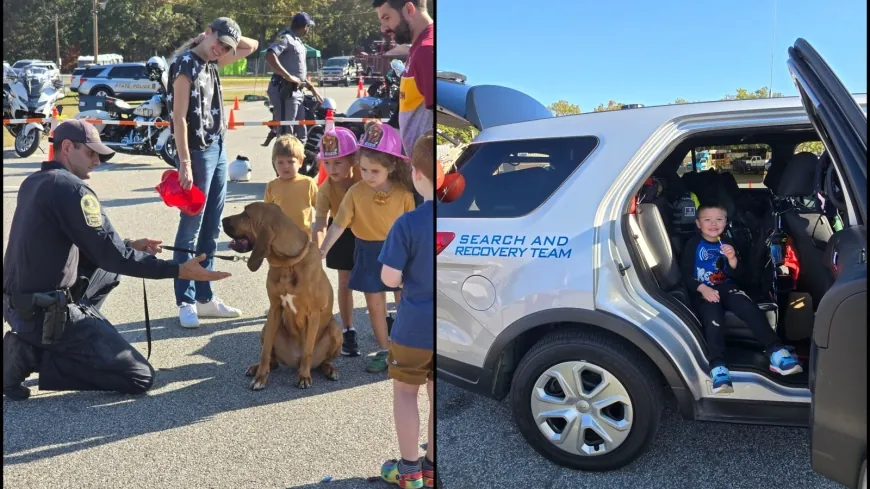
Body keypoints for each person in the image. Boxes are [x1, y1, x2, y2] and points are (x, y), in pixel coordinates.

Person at [2, 120, 232, 400]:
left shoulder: (34, 182)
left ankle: (39, 342)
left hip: (18, 306)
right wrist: (179, 270)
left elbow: (95, 249)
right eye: (91, 153)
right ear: (66, 147)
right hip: (43, 313)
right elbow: (115, 257)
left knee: (108, 273)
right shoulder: (73, 190)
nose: (97, 161)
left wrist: (129, 245)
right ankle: (30, 354)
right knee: (140, 376)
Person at [168, 17, 257, 328]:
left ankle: (205, 297)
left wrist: (228, 38)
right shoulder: (185, 65)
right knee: (190, 226)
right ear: (206, 33)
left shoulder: (211, 62)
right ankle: (186, 299)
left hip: (218, 146)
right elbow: (178, 118)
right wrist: (185, 162)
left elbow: (252, 46)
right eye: (218, 42)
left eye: (225, 48)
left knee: (211, 227)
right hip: (196, 150)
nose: (221, 50)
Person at [319, 122, 415, 373]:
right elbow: (338, 224)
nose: (368, 176)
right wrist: (322, 250)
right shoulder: (354, 192)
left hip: (398, 254)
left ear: (391, 167)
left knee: (403, 301)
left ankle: (404, 348)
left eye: (374, 171)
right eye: (363, 169)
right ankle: (385, 350)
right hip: (367, 252)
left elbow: (413, 229)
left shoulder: (404, 193)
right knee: (375, 304)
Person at [680, 204, 803, 395]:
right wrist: (702, 288)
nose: (713, 224)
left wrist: (732, 260)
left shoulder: (727, 242)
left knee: (748, 307)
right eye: (707, 220)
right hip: (703, 291)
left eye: (719, 219)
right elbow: (686, 274)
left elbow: (739, 275)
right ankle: (718, 367)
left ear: (726, 222)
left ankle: (776, 351)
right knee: (714, 319)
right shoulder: (693, 245)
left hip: (727, 287)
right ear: (698, 223)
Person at [378, 131, 435, 488]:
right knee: (435, 395)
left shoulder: (408, 223)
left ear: (415, 173)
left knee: (405, 393)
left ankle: (409, 470)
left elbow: (388, 278)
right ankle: (432, 467)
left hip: (414, 327)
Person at [312, 127, 363, 356]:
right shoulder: (324, 190)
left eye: (338, 163)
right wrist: (319, 249)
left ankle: (389, 318)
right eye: (327, 163)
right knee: (345, 282)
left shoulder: (365, 176)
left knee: (385, 280)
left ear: (353, 159)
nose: (331, 169)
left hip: (369, 231)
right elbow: (321, 223)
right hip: (340, 233)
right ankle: (348, 328)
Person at [372, 0, 433, 157]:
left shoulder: (426, 50)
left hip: (424, 173)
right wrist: (386, 129)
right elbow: (407, 106)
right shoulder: (417, 49)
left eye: (387, 17)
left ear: (409, 9)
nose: (383, 28)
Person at [264, 12, 322, 145]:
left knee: (301, 132)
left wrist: (311, 88)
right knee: (286, 134)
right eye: (308, 27)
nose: (308, 30)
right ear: (304, 26)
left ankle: (300, 163)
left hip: (298, 92)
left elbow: (297, 72)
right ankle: (285, 163)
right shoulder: (285, 38)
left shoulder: (298, 41)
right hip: (285, 91)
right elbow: (269, 55)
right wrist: (287, 76)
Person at [264, 134, 318, 241]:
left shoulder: (308, 183)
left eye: (291, 162)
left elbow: (320, 208)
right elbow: (266, 214)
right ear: (274, 163)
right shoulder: (272, 186)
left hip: (303, 239)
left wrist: (319, 233)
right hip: (279, 239)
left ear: (300, 162)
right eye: (280, 162)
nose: (285, 166)